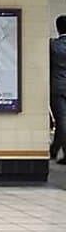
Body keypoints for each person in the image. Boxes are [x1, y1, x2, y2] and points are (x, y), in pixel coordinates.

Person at [50, 15, 66, 162]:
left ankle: (54, 149)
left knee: (61, 121)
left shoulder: (53, 45)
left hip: (57, 87)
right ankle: (57, 150)